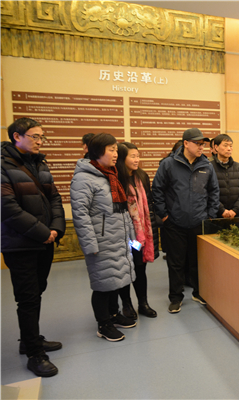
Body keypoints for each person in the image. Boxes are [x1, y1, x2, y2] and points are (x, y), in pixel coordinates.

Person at [1, 117, 65, 377]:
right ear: (17, 136)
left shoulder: (39, 163)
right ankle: (34, 354)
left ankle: (30, 339)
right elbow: (7, 208)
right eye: (35, 136)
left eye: (42, 137)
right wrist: (42, 233)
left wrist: (56, 228)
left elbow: (54, 197)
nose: (40, 141)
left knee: (37, 291)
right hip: (20, 244)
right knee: (27, 298)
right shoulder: (3, 164)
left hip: (43, 241)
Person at [70, 133, 137, 342]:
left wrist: (131, 237)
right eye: (111, 150)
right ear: (98, 152)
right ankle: (103, 324)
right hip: (101, 241)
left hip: (118, 238)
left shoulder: (111, 174)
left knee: (115, 280)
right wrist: (90, 243)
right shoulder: (84, 178)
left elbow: (121, 210)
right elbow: (80, 213)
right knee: (102, 284)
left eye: (116, 150)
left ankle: (114, 315)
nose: (116, 154)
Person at [152, 128, 220, 313]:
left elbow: (214, 192)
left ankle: (199, 292)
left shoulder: (206, 165)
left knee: (198, 261)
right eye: (197, 143)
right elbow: (157, 190)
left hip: (199, 222)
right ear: (186, 144)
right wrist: (164, 215)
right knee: (176, 263)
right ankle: (175, 298)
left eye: (202, 144)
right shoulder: (168, 164)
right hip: (174, 223)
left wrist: (210, 215)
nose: (201, 147)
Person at [116, 142, 160, 319]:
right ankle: (126, 305)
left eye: (138, 156)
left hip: (140, 236)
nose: (137, 160)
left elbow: (148, 204)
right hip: (125, 234)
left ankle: (143, 303)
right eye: (132, 156)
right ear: (122, 158)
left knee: (140, 268)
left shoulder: (141, 176)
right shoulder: (116, 178)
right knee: (125, 269)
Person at [210, 134, 239, 222]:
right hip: (216, 215)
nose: (229, 149)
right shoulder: (209, 167)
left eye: (231, 146)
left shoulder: (238, 167)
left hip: (236, 215)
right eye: (225, 145)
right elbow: (208, 193)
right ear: (216, 147)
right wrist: (222, 210)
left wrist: (235, 210)